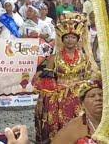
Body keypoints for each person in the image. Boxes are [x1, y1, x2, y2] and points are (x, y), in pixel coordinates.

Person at [33, 13, 99, 143]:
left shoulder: (85, 58)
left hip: (79, 97)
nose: (70, 40)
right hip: (59, 98)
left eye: (73, 37)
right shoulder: (54, 58)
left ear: (78, 39)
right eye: (67, 37)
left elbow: (90, 78)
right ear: (62, 39)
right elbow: (47, 83)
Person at [52, 76, 102, 144]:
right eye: (92, 96)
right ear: (82, 104)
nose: (98, 98)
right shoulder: (73, 128)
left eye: (101, 95)